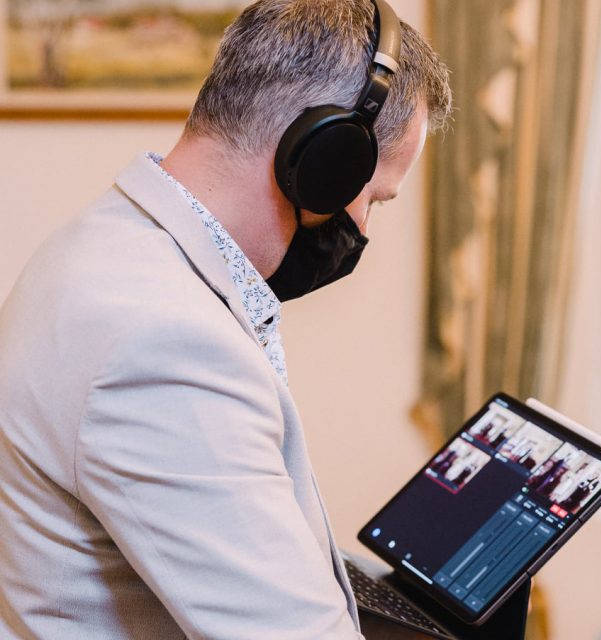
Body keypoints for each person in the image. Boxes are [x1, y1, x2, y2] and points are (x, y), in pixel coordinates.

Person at [0, 0, 451, 638]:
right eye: (372, 197)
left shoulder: (102, 247)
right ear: (323, 163)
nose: (364, 228)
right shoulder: (161, 341)